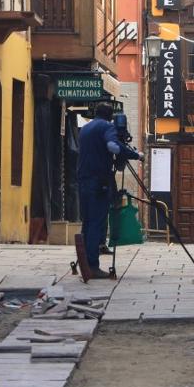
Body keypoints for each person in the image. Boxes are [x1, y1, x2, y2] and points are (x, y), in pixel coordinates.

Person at [76, 103, 135, 278]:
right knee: (96, 223)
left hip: (83, 180)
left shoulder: (85, 129)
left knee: (87, 222)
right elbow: (113, 147)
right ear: (110, 117)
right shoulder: (107, 127)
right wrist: (134, 155)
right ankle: (93, 266)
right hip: (99, 181)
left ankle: (85, 262)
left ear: (96, 113)